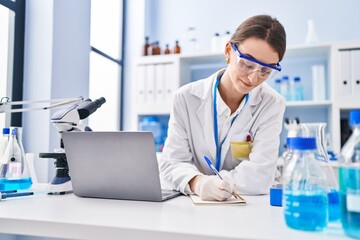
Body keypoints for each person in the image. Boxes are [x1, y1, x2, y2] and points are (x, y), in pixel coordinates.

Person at [159, 14, 287, 201]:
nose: (253, 78)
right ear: (228, 51)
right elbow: (172, 162)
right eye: (247, 64)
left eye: (265, 71)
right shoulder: (186, 98)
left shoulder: (272, 104)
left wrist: (213, 183)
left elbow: (260, 174)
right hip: (193, 205)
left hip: (248, 206)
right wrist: (198, 183)